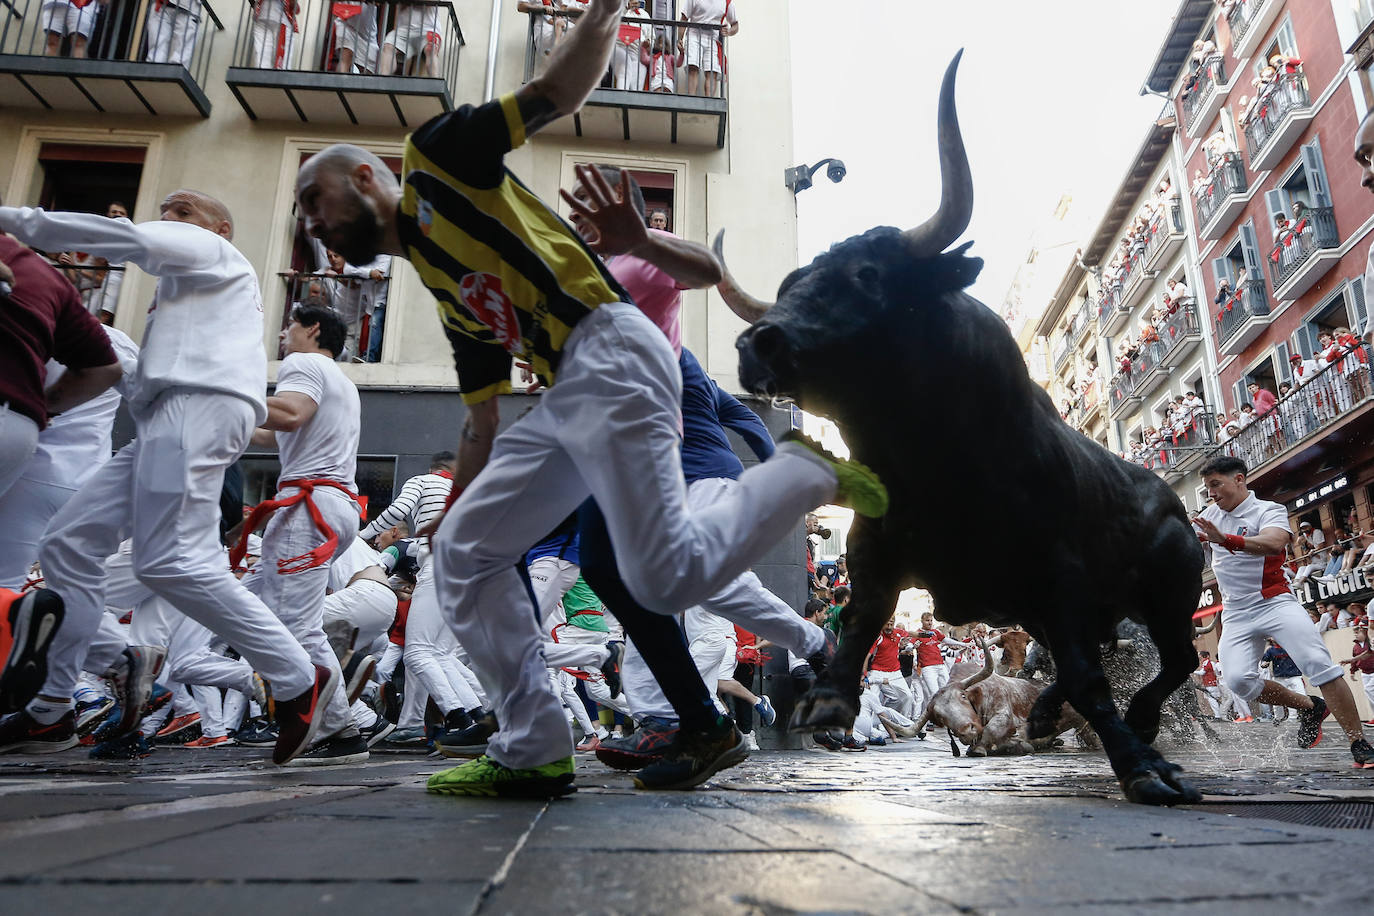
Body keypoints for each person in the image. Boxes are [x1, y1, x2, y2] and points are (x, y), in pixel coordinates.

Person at [292, 0, 882, 798]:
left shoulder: (434, 159)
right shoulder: (441, 280)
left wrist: (604, 11)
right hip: (574, 389)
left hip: (613, 353)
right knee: (466, 554)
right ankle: (535, 746)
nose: (313, 227)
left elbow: (552, 92)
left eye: (313, 203)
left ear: (365, 177)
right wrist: (456, 508)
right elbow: (482, 414)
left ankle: (800, 476)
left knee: (662, 579)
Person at [0, 192, 335, 765]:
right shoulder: (191, 295)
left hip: (194, 409)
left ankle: (300, 677)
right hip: (168, 418)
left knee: (171, 560)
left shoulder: (215, 252)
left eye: (182, 210)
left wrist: (15, 222)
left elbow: (129, 241)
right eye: (168, 210)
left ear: (219, 227)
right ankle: (53, 704)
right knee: (68, 545)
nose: (170, 219)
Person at [233, 303, 368, 765]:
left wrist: (227, 393)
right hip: (331, 508)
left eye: (289, 325)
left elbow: (289, 414)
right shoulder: (344, 382)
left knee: (294, 627)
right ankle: (340, 727)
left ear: (311, 329)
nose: (283, 334)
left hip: (309, 508)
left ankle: (333, 719)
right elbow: (274, 436)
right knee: (254, 606)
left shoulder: (304, 363)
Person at [1193, 455, 1373, 768]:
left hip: (1273, 601)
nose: (1212, 493)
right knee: (1238, 682)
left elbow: (1274, 543)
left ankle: (1358, 741)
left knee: (1319, 664)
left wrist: (1226, 539)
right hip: (1235, 611)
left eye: (1215, 484)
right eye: (1207, 487)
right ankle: (1309, 706)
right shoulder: (1209, 515)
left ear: (1239, 480)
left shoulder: (1269, 510)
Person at [677, 0, 736, 98]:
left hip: (713, 39)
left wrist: (729, 31)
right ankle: (691, 99)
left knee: (712, 71)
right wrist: (680, 38)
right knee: (693, 67)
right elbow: (684, 18)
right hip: (694, 35)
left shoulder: (726, 2)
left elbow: (735, 25)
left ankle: (710, 100)